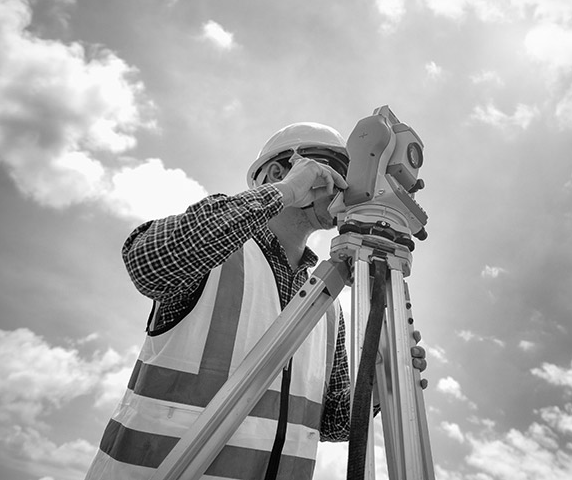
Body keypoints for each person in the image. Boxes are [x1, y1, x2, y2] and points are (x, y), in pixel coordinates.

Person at [85, 122, 426, 480]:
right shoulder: (217, 253)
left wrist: (382, 376)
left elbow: (334, 421)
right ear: (279, 172)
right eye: (334, 170)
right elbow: (149, 262)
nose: (347, 184)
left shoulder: (327, 300)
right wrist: (285, 192)